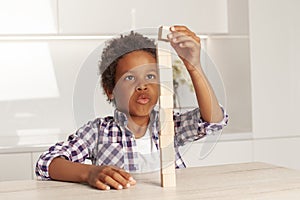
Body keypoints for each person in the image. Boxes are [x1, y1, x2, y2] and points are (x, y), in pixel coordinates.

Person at [35, 25, 228, 190]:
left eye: (150, 76)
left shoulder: (170, 124)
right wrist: (90, 173)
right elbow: (46, 163)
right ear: (110, 90)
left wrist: (193, 65)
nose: (142, 85)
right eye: (129, 78)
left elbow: (213, 120)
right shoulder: (98, 132)